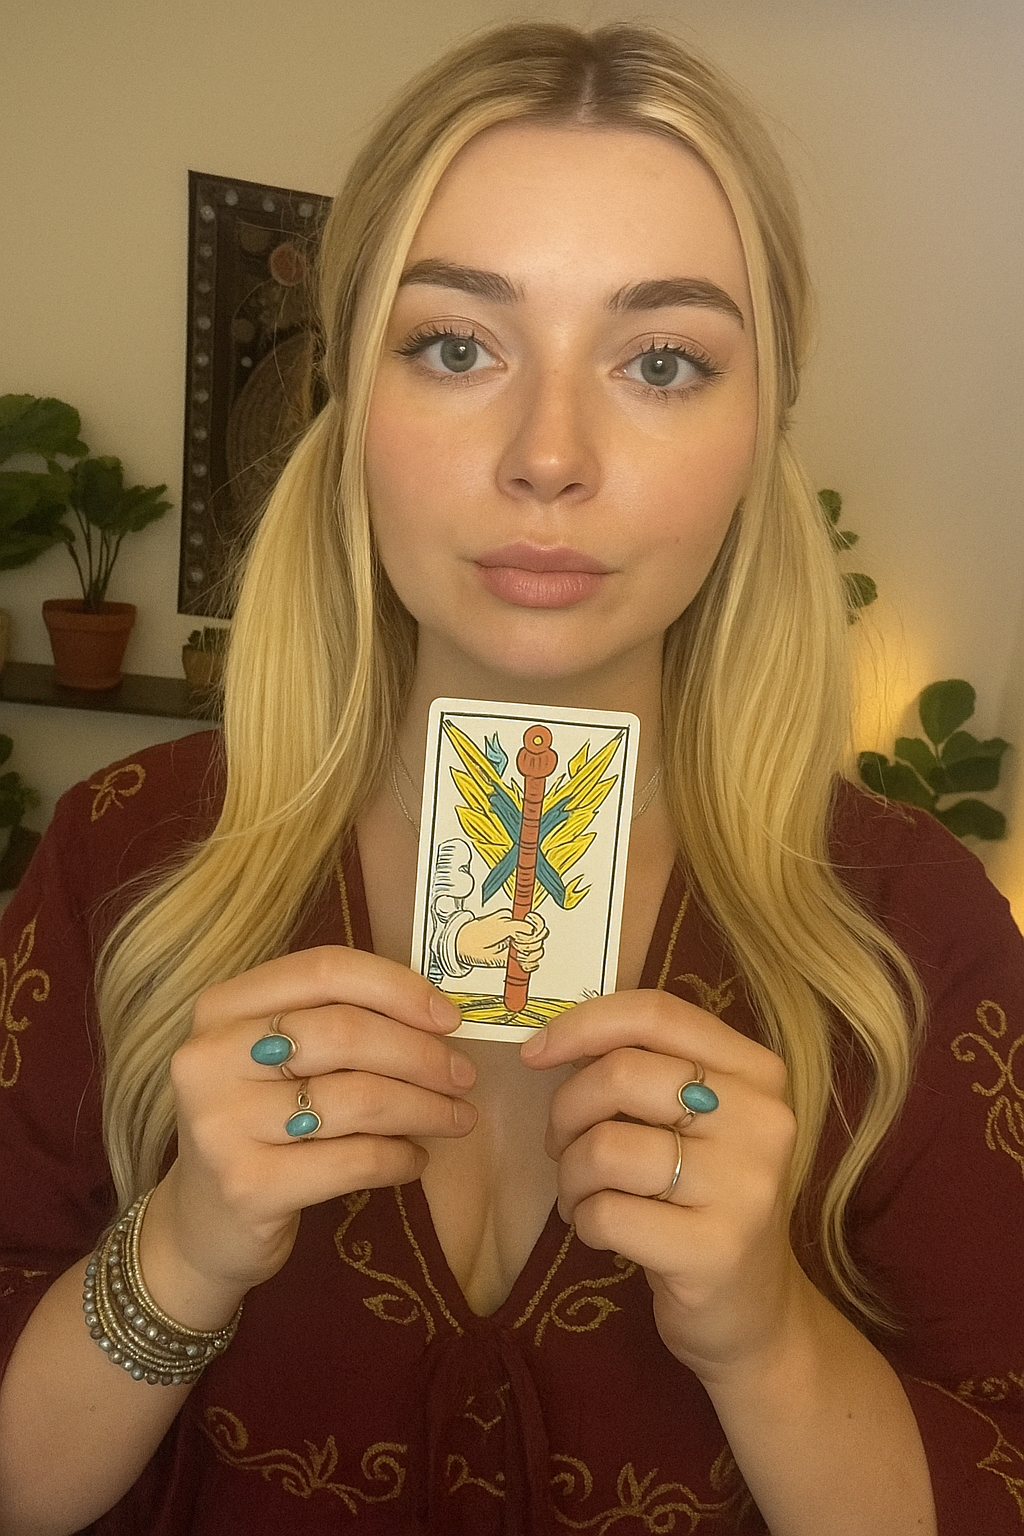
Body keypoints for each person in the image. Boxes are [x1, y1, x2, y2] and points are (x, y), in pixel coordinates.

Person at [0, 21, 1021, 1536]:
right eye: (456, 345)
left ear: (761, 430)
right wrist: (179, 1258)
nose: (550, 454)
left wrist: (767, 1339)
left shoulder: (914, 932)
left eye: (662, 361)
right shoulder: (122, 857)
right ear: (353, 397)